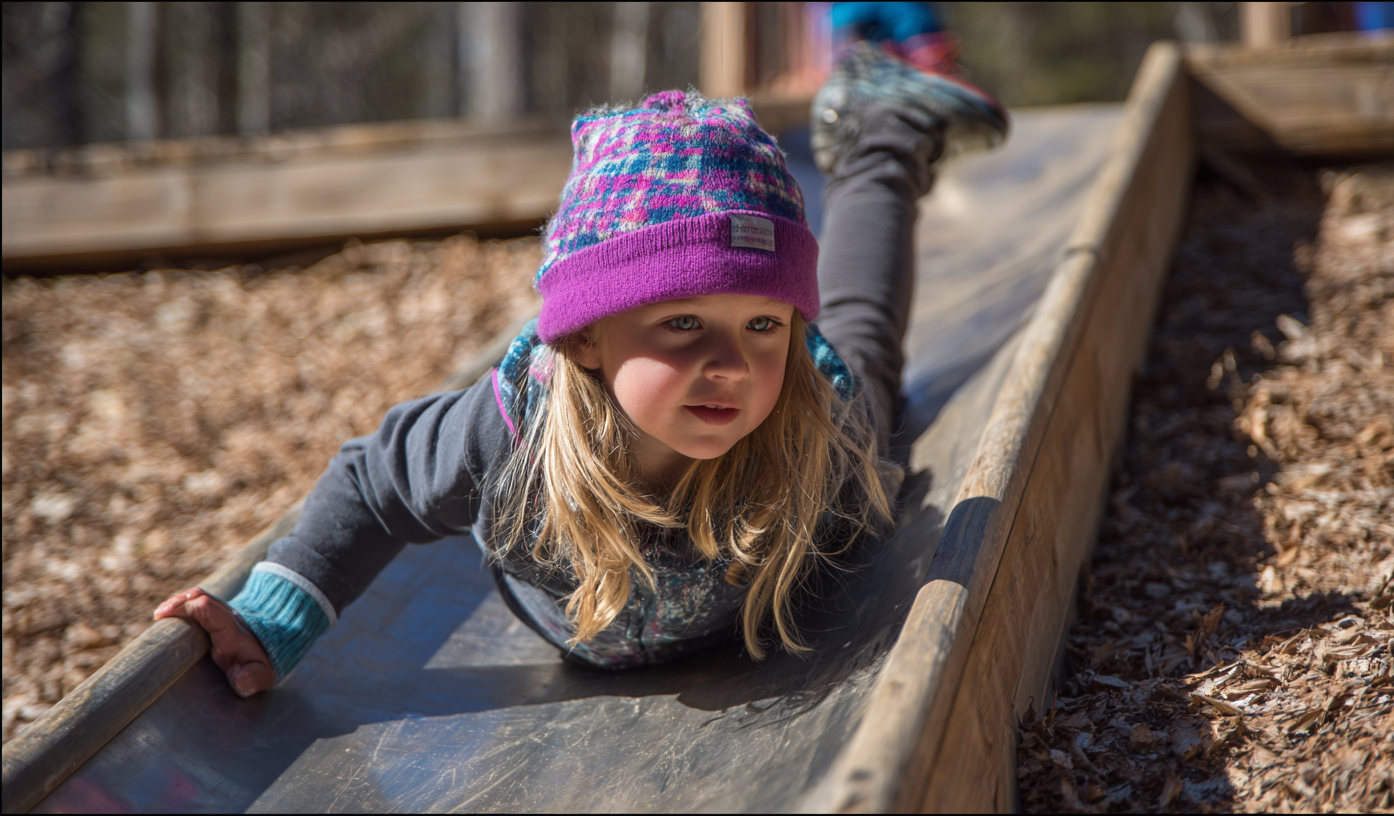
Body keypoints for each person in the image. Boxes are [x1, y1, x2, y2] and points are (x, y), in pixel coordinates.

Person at [154, 33, 1008, 697]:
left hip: (800, 477)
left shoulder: (813, 433)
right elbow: (374, 483)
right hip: (586, 572)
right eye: (682, 324)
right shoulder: (505, 437)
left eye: (761, 324)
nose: (733, 364)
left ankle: (880, 132)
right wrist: (275, 620)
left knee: (863, 339)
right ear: (584, 339)